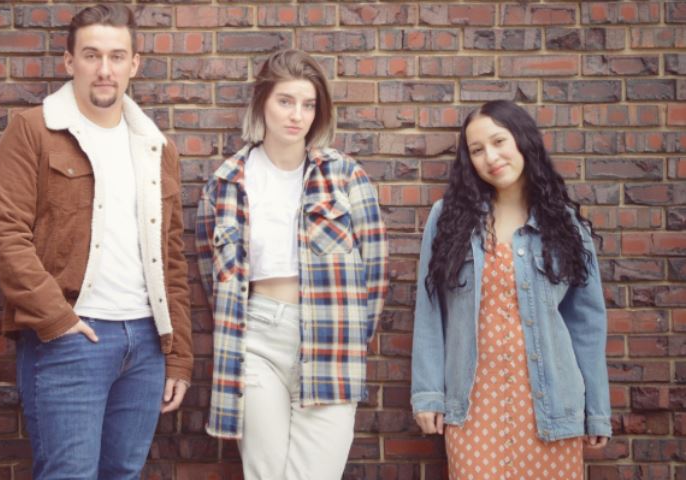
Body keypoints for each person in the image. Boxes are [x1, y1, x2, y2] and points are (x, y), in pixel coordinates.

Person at [0, 4, 192, 479]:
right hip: (71, 338)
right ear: (68, 61)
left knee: (123, 472)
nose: (104, 69)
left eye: (117, 57)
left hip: (145, 341)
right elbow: (4, 234)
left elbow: (170, 259)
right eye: (92, 55)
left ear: (134, 65)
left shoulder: (156, 147)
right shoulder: (34, 130)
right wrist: (59, 320)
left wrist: (177, 353)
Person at [195, 49, 388, 480]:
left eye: (308, 104)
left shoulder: (345, 177)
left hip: (330, 337)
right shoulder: (227, 182)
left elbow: (374, 270)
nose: (297, 115)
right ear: (262, 102)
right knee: (264, 473)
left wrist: (350, 334)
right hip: (257, 337)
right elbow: (213, 272)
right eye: (285, 101)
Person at [410, 100, 612, 479]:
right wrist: (428, 394)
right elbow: (430, 310)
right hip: (473, 405)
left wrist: (596, 409)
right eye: (477, 150)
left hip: (552, 404)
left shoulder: (566, 226)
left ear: (522, 141)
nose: (491, 157)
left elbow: (587, 326)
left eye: (499, 141)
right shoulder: (448, 220)